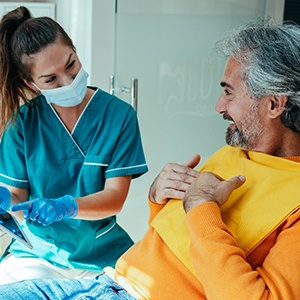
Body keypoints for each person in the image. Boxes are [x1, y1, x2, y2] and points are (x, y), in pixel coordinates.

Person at [1, 18, 300, 299]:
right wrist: (159, 199)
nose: (218, 106)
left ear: (274, 103)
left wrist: (201, 207)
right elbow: (176, 241)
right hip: (110, 280)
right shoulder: (235, 151)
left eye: (229, 93)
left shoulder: (293, 201)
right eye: (51, 79)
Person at [0, 6, 148, 284]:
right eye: (51, 79)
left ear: (76, 51)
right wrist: (6, 201)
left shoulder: (119, 116)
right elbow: (16, 196)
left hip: (102, 253)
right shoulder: (22, 124)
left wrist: (67, 206)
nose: (68, 82)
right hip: (38, 254)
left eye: (71, 65)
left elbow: (115, 198)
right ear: (31, 83)